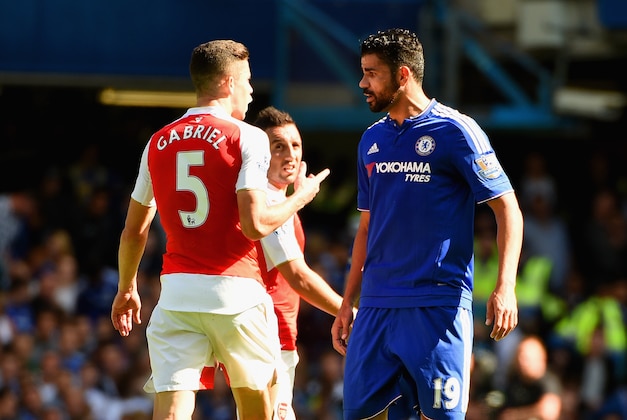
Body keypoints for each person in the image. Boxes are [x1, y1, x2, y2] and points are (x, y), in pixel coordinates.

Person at [110, 39, 329, 420]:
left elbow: (134, 231)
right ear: (227, 82)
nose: (250, 90)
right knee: (255, 405)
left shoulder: (157, 141)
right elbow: (255, 223)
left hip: (177, 294)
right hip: (236, 294)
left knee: (173, 408)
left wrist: (126, 288)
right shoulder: (248, 136)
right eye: (246, 80)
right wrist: (300, 197)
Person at [331, 28, 524, 420]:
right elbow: (366, 229)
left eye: (372, 73)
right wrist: (347, 303)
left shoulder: (456, 130)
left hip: (437, 307)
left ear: (403, 75)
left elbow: (508, 209)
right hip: (376, 306)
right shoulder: (370, 139)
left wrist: (506, 287)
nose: (362, 82)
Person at [253, 106, 349, 420]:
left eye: (295, 145)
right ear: (259, 154)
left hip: (274, 336)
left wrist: (297, 199)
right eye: (278, 146)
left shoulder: (278, 201)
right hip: (268, 338)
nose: (290, 154)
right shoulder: (268, 200)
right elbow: (300, 277)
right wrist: (349, 312)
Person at [492, 335, 562, 420]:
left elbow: (549, 413)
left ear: (541, 358)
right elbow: (504, 415)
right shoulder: (514, 381)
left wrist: (516, 415)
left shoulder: (549, 382)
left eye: (526, 358)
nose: (522, 361)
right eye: (520, 356)